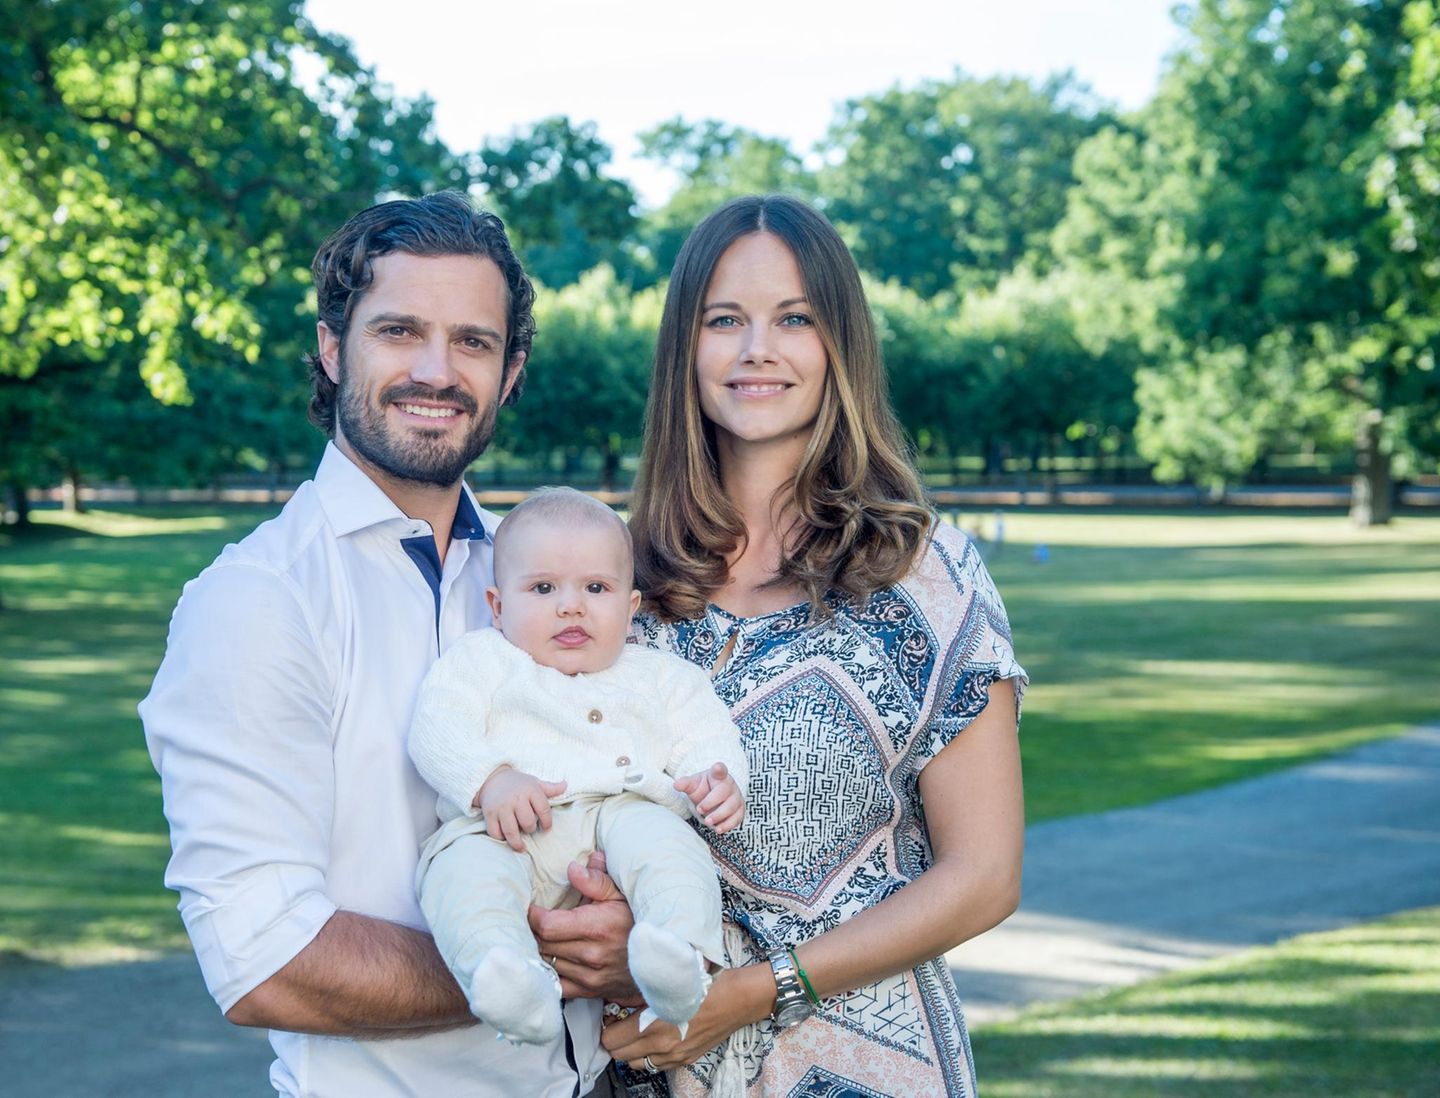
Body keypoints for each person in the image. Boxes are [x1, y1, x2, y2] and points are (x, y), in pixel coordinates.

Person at [140, 192, 630, 1097]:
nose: (437, 372)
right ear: (334, 347)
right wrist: (562, 965)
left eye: (474, 342)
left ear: (510, 370)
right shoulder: (257, 602)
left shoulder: (548, 576)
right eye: (400, 331)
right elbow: (268, 958)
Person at [603, 195, 1027, 1097]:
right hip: (651, 1072)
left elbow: (985, 875)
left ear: (840, 344)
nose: (759, 348)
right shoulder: (613, 582)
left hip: (873, 1069)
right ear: (687, 346)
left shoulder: (926, 572)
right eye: (726, 320)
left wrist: (760, 991)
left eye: (795, 318)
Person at [407, 487, 748, 1046]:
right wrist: (490, 779)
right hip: (509, 826)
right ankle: (505, 978)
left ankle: (675, 956)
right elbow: (437, 727)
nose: (572, 606)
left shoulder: (661, 674)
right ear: (498, 606)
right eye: (543, 588)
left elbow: (707, 734)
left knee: (672, 852)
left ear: (631, 608)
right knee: (462, 874)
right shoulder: (483, 660)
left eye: (596, 588)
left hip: (622, 814)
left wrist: (717, 780)